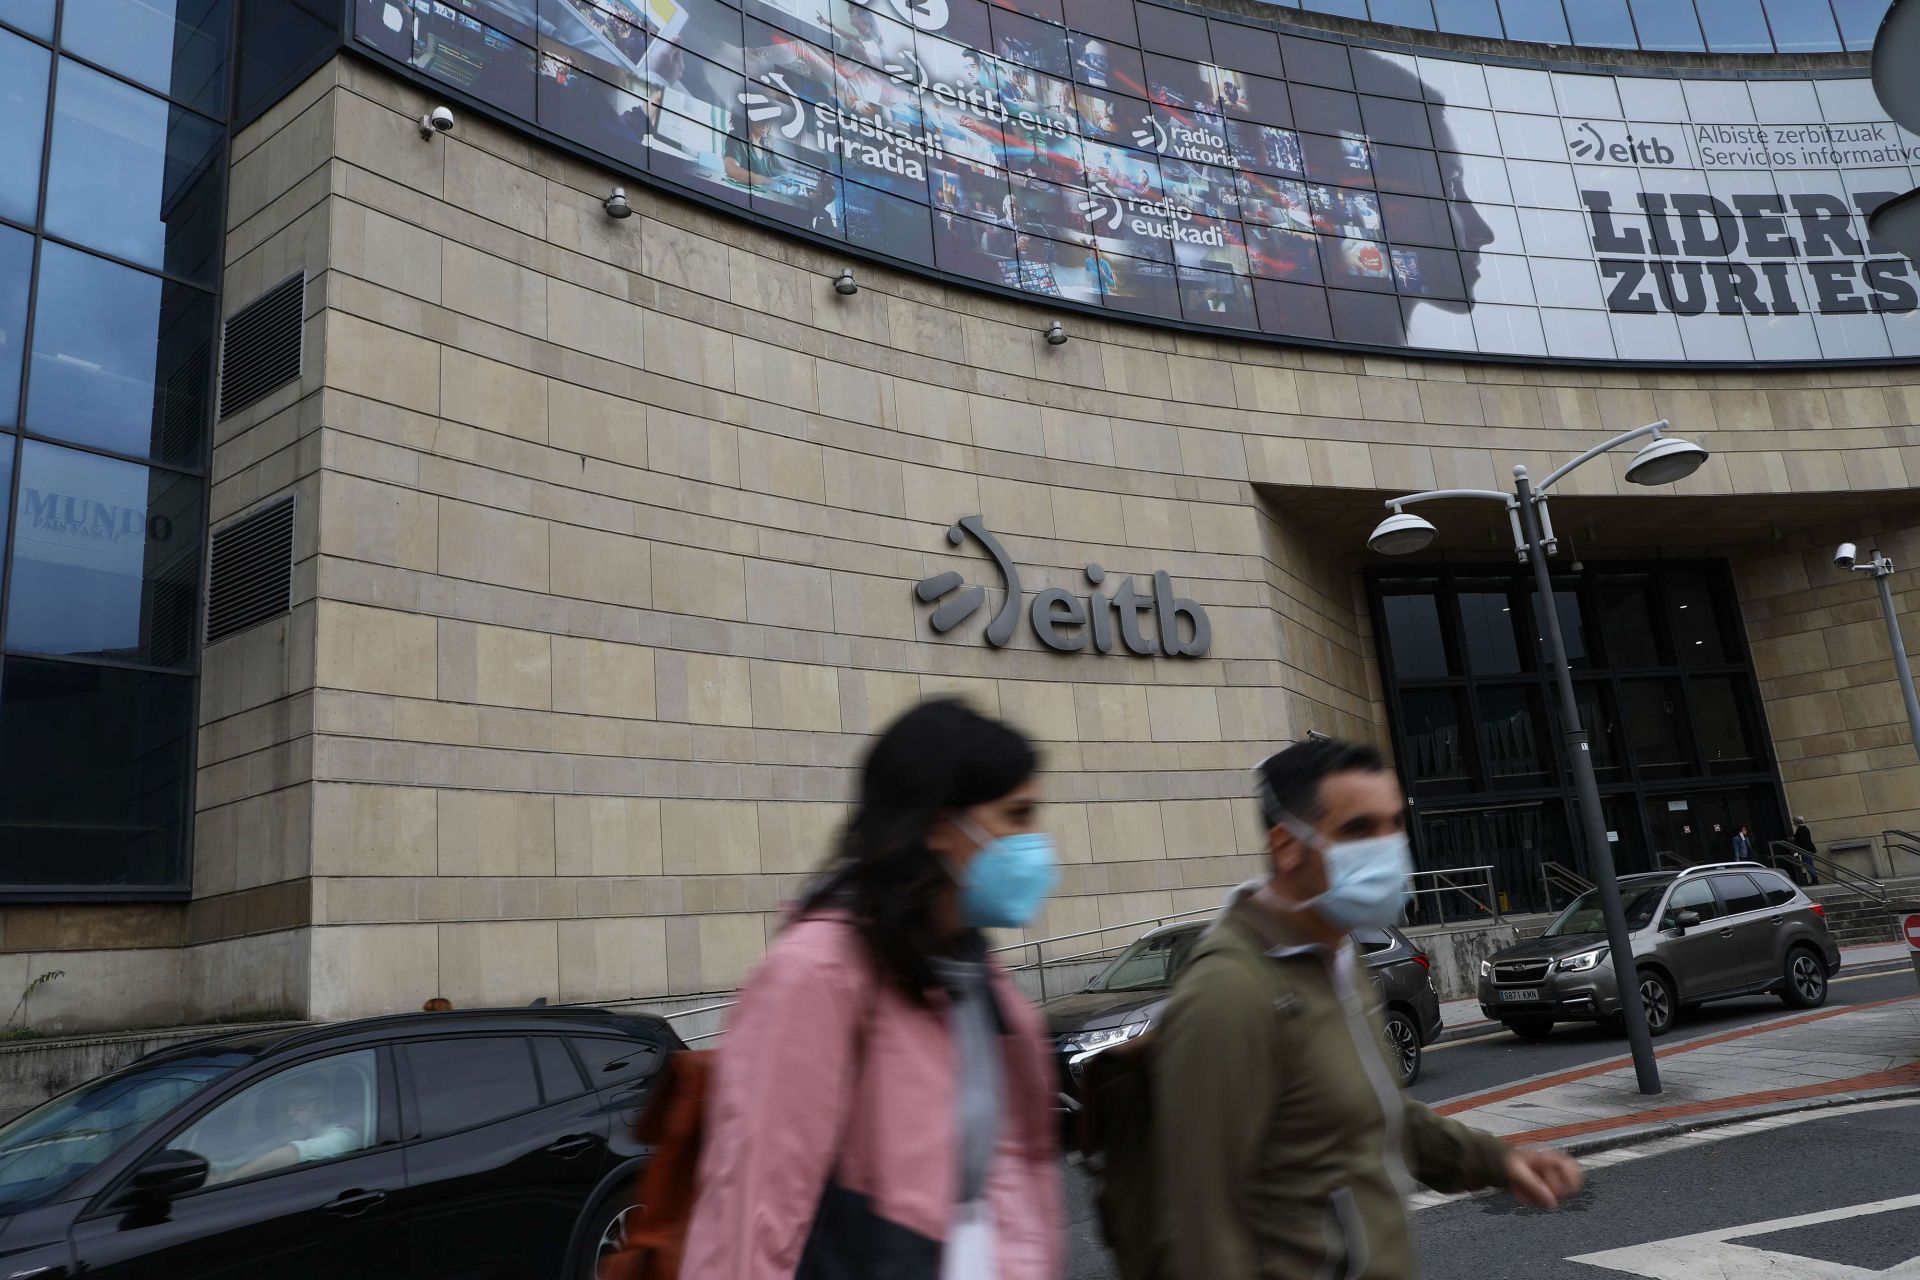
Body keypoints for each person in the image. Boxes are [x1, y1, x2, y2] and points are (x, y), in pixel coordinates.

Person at [1154, 738, 1583, 1280]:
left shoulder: (1336, 955)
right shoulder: (1229, 993)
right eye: (1358, 829)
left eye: (1393, 823)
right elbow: (1196, 1225)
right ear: (1286, 846)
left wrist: (1495, 1160)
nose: (1387, 847)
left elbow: (1373, 1114)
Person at [680, 700, 1063, 1280]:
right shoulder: (816, 977)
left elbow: (1005, 1180)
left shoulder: (977, 977)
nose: (1035, 842)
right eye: (1017, 815)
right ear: (939, 827)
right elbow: (751, 1223)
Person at [219, 1076, 359, 1183]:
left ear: (322, 1106)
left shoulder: (342, 1137)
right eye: (283, 1105)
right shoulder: (277, 1141)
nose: (289, 1113)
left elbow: (298, 1152)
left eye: (300, 1104)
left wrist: (231, 1177)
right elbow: (236, 1164)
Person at [1793, 816, 1819, 885]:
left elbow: (1800, 841)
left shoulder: (1801, 829)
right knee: (1810, 865)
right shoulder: (1805, 828)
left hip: (1805, 850)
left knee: (1807, 865)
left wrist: (1796, 849)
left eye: (1794, 821)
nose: (1794, 823)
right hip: (1809, 849)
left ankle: (1815, 879)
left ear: (1796, 822)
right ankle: (1815, 879)